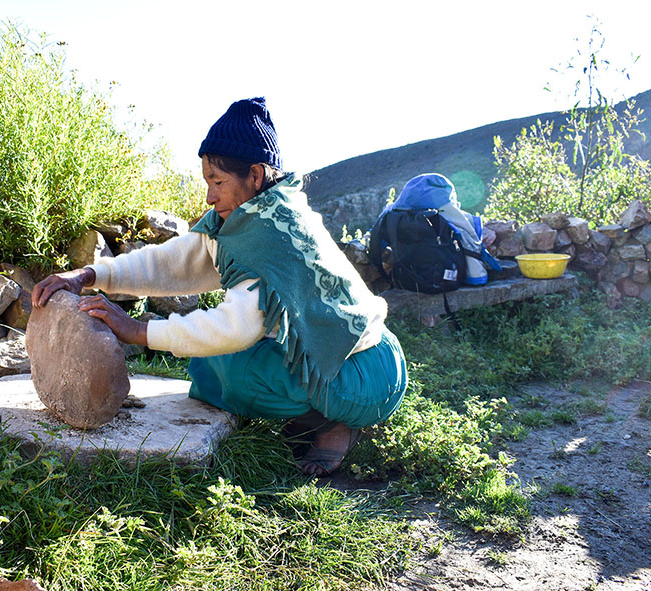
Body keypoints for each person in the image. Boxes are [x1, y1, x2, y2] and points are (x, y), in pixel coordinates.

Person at [32, 97, 407, 476]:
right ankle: (310, 410)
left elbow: (238, 326)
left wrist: (138, 331)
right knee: (209, 365)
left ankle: (332, 424)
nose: (209, 195)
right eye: (207, 182)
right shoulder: (242, 218)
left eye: (218, 182)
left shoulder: (274, 234)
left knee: (238, 376)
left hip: (363, 373)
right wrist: (91, 275)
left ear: (256, 176)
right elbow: (171, 262)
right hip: (348, 360)